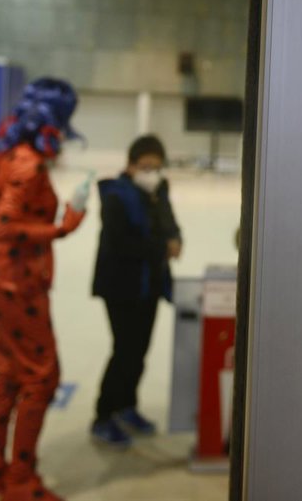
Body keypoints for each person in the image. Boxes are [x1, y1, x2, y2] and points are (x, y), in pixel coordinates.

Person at [0, 78, 88, 501]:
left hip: (2, 277)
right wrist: (62, 228)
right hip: (16, 280)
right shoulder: (29, 164)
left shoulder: (8, 156)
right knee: (41, 376)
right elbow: (5, 226)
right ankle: (20, 481)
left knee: (10, 372)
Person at [89, 135, 183, 446]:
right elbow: (120, 243)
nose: (151, 173)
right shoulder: (115, 195)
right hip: (121, 286)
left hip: (150, 285)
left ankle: (127, 406)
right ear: (130, 166)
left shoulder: (159, 189)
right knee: (124, 351)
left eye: (156, 167)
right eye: (145, 167)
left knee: (139, 352)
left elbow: (168, 220)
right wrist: (161, 247)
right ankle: (103, 416)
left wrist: (175, 237)